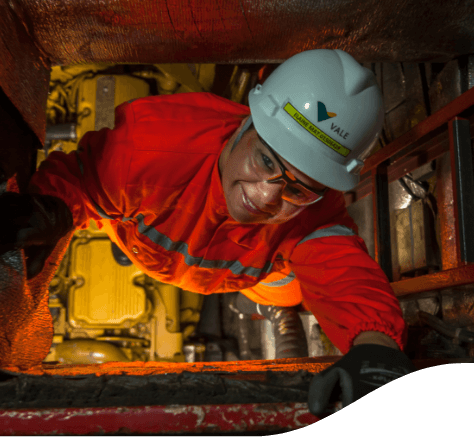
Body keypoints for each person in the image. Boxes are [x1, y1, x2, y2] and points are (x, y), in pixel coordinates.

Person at [0, 49, 417, 415]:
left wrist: (376, 347)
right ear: (244, 126)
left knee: (291, 291)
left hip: (255, 278)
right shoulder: (147, 151)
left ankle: (275, 307)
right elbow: (81, 183)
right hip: (160, 259)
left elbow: (342, 270)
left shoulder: (315, 210)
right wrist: (53, 209)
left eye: (299, 187)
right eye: (267, 162)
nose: (267, 196)